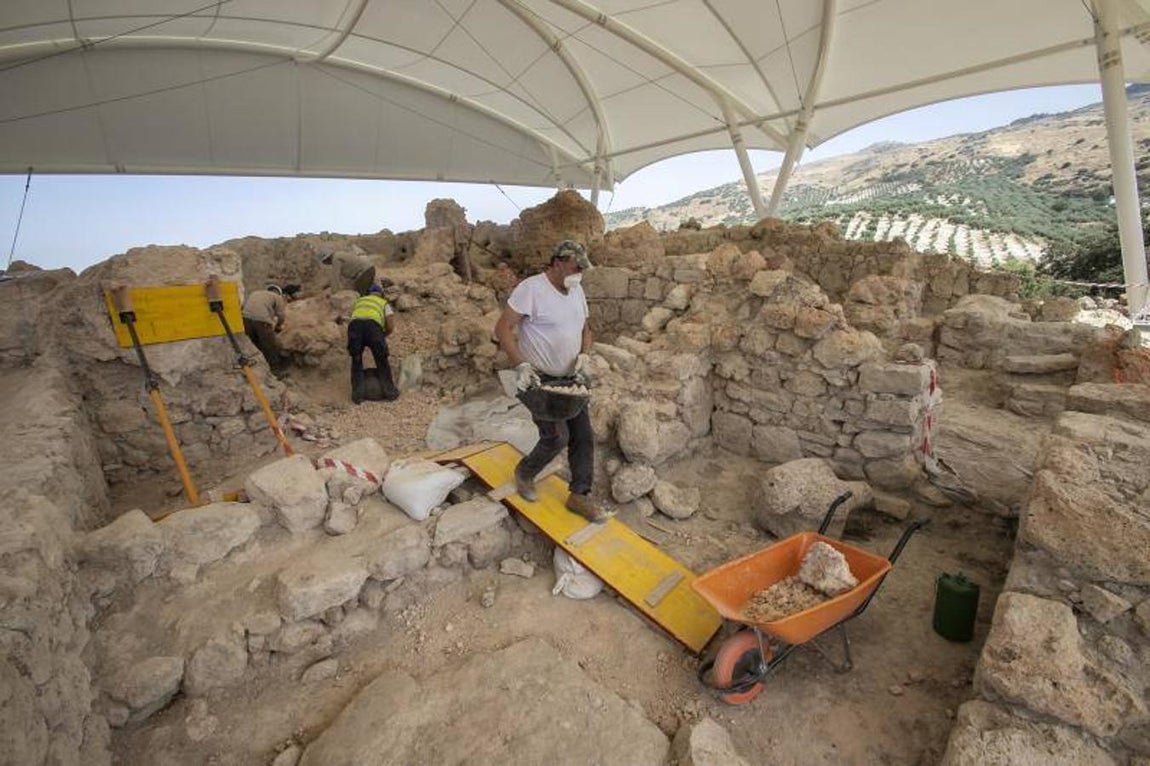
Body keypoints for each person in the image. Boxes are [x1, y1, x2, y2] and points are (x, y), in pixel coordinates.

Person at [493, 240, 607, 522]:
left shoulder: (576, 290)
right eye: (575, 266)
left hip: (571, 378)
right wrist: (520, 364)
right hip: (539, 379)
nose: (579, 273)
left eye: (582, 268)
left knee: (582, 435)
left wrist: (584, 355)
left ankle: (580, 495)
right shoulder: (531, 289)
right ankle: (525, 472)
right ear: (558, 262)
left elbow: (585, 328)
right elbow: (502, 327)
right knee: (557, 436)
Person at [347, 283, 398, 404]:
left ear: (368, 293)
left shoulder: (359, 301)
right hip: (373, 327)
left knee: (356, 360)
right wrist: (382, 335)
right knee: (381, 360)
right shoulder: (383, 303)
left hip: (354, 327)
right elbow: (390, 325)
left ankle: (357, 396)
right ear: (380, 294)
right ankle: (390, 393)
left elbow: (352, 317)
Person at [241, 284, 293, 374]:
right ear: (279, 293)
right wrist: (278, 326)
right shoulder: (277, 297)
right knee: (270, 345)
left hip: (245, 320)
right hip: (261, 321)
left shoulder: (256, 293)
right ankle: (276, 370)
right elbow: (281, 316)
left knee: (256, 344)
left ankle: (258, 367)